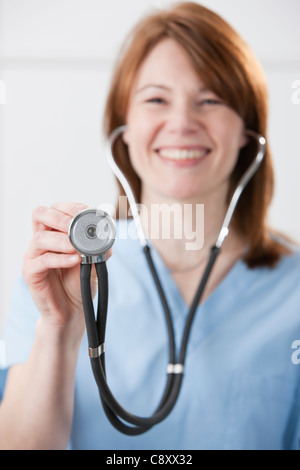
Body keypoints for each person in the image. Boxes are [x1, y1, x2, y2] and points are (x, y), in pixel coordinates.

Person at [0, 2, 300, 450]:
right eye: (156, 99)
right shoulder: (61, 273)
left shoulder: (293, 291)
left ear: (246, 131)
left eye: (211, 100)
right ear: (124, 125)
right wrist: (59, 333)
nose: (181, 123)